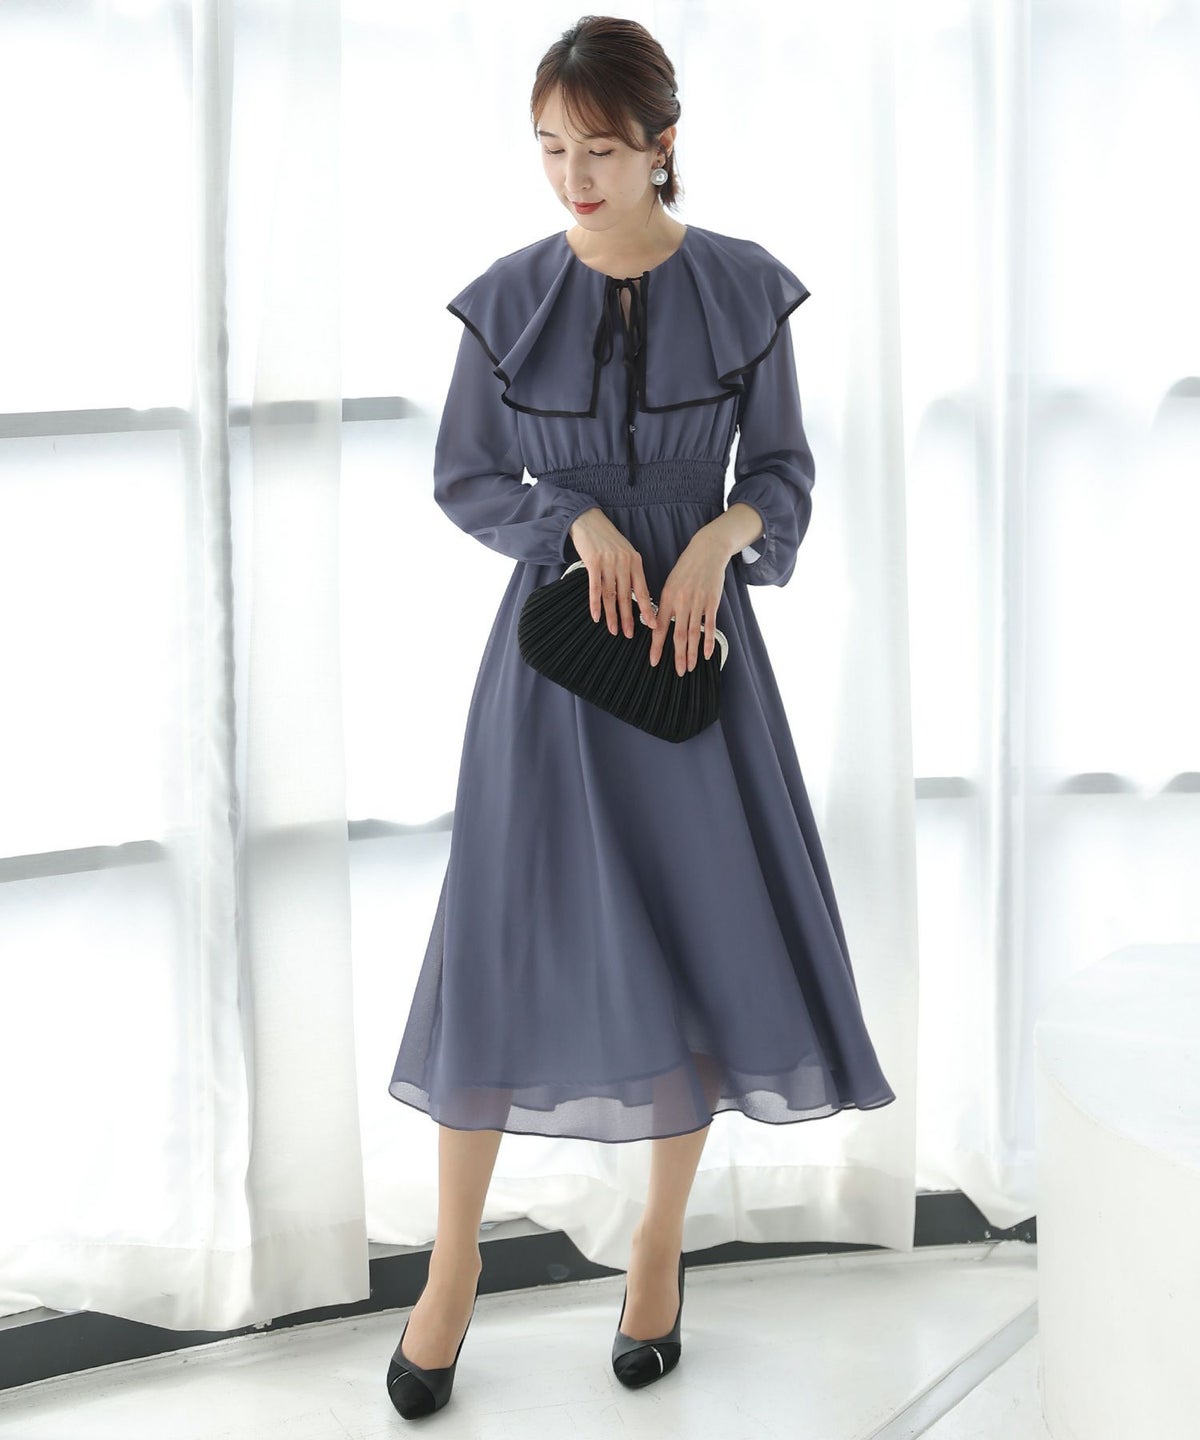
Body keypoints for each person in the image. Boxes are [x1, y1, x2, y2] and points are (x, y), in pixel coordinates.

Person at [385, 16, 896, 1420]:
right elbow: (467, 477)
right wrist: (575, 521)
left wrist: (720, 535)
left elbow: (783, 473)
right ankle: (450, 1271)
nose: (573, 177)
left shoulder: (744, 289)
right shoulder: (506, 300)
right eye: (550, 148)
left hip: (693, 657)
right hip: (553, 669)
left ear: (663, 142)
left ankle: (658, 1252)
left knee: (699, 947)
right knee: (497, 949)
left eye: (600, 149)